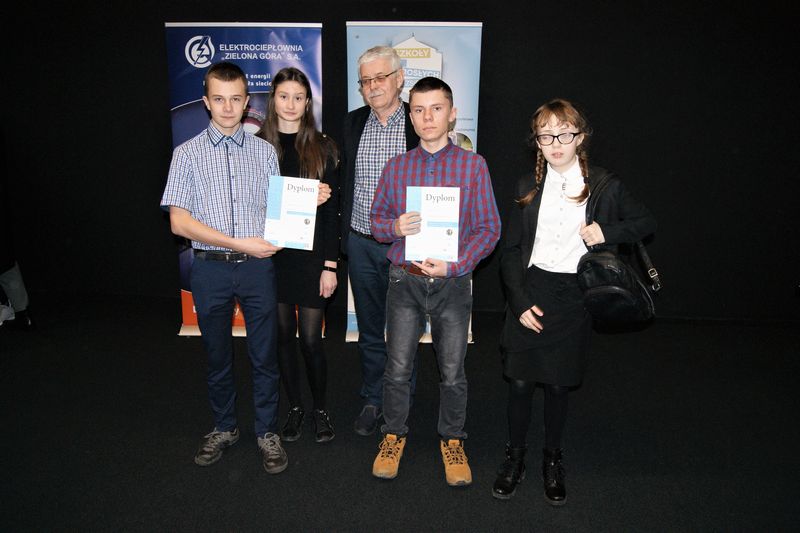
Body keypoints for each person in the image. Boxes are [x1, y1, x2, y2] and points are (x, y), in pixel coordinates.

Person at [161, 62, 330, 474]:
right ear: (206, 102)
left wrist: (306, 201)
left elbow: (278, 213)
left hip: (257, 270)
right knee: (218, 355)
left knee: (264, 355)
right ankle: (224, 427)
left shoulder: (264, 152)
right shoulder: (186, 154)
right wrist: (240, 243)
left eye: (235, 99)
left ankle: (266, 431)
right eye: (219, 99)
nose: (227, 107)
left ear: (247, 101)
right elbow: (179, 223)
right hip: (210, 270)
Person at [492, 98, 656, 504]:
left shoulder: (604, 184)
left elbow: (646, 222)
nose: (555, 143)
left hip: (574, 295)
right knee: (519, 382)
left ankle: (552, 459)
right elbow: (510, 250)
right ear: (537, 142)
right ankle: (515, 458)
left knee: (558, 386)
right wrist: (519, 301)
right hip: (531, 290)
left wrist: (607, 233)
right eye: (546, 136)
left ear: (580, 137)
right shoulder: (526, 186)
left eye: (564, 134)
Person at [369, 77, 501, 486]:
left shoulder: (473, 166)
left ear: (452, 113)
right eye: (419, 110)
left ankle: (453, 439)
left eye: (436, 108)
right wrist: (395, 226)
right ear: (410, 117)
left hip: (452, 284)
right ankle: (393, 434)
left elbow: (489, 228)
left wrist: (457, 264)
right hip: (404, 281)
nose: (428, 117)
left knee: (453, 371)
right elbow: (376, 223)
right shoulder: (397, 167)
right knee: (397, 367)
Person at [340, 45, 421, 436]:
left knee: (405, 331)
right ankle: (374, 398)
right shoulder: (352, 123)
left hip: (405, 247)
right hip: (361, 243)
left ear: (399, 78)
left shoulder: (418, 122)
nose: (373, 86)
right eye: (366, 80)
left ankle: (400, 403)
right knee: (370, 331)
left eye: (380, 77)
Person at [256, 67, 339, 443]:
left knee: (310, 339)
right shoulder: (257, 146)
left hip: (311, 259)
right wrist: (303, 199)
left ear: (308, 103)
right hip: (270, 256)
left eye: (299, 97)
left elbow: (332, 215)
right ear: (273, 100)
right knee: (282, 338)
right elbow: (254, 206)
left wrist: (330, 265)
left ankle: (319, 408)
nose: (291, 104)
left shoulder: (324, 147)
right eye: (284, 96)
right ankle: (294, 407)